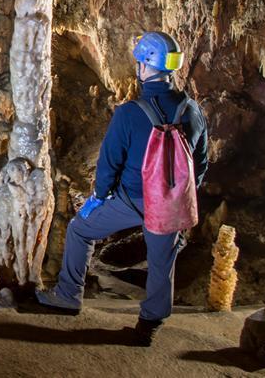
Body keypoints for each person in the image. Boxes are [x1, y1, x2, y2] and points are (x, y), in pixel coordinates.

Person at [35, 31, 209, 346]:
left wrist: (99, 198)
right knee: (161, 261)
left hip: (131, 199)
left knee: (79, 230)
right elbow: (201, 162)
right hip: (169, 204)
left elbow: (109, 162)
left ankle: (68, 296)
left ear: (145, 66)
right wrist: (181, 197)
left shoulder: (130, 112)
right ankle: (149, 326)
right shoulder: (191, 109)